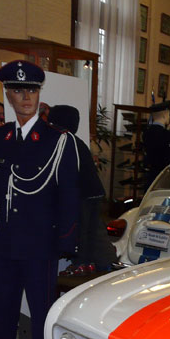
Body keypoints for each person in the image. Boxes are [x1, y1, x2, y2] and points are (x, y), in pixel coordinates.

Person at [0, 60, 81, 339]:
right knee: (2, 312)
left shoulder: (57, 140)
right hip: (7, 242)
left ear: (39, 93)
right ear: (8, 95)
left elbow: (69, 195)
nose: (26, 97)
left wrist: (65, 242)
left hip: (40, 243)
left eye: (31, 90)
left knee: (41, 317)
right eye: (18, 91)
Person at [48, 105, 118, 274]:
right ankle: (106, 264)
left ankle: (86, 263)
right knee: (93, 231)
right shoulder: (73, 140)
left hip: (83, 194)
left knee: (85, 231)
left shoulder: (65, 141)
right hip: (91, 192)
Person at [141, 101, 170, 191]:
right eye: (169, 114)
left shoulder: (146, 133)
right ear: (165, 115)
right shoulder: (166, 134)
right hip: (163, 178)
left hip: (150, 176)